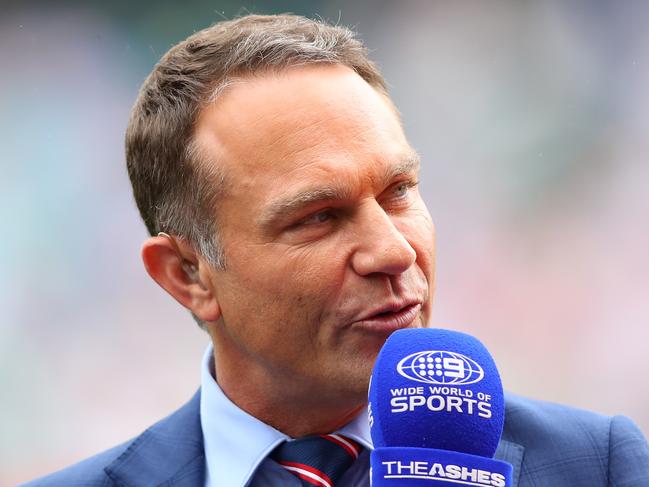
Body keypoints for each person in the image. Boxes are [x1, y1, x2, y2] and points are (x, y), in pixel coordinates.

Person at [23, 13, 649, 487]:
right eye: (319, 217)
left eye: (399, 191)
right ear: (189, 275)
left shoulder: (599, 466)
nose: (393, 252)